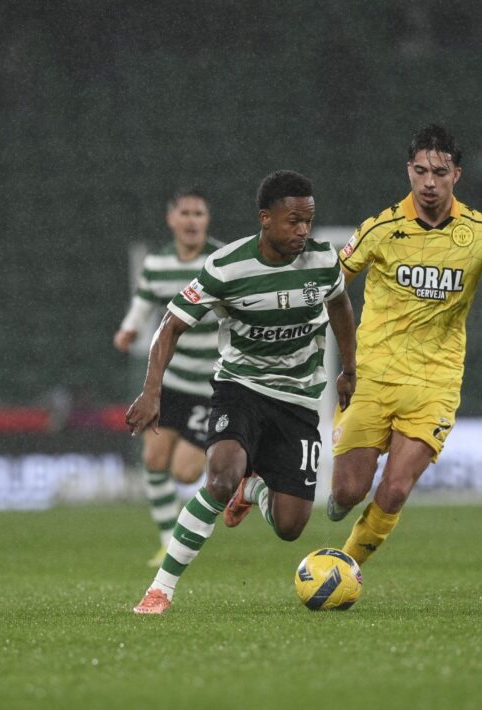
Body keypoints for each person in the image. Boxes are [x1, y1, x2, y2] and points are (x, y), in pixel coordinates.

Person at [128, 170, 357, 615]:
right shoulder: (226, 267)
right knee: (218, 477)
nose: (303, 231)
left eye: (308, 221)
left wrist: (349, 369)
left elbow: (341, 307)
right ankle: (161, 588)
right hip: (241, 387)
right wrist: (151, 391)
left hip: (298, 401)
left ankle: (252, 491)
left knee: (291, 526)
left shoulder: (324, 262)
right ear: (265, 219)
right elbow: (171, 324)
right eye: (293, 221)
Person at [327, 124, 482, 566]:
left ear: (457, 175)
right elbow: (331, 284)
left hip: (434, 383)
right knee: (348, 492)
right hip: (373, 374)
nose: (430, 182)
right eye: (421, 171)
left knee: (394, 488)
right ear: (408, 170)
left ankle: (342, 567)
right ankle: (342, 503)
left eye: (440, 172)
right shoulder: (380, 228)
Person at [113, 187, 220, 567]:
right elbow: (143, 301)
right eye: (186, 213)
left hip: (210, 384)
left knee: (186, 470)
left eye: (199, 213)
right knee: (154, 459)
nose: (192, 220)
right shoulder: (157, 264)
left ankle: (239, 464)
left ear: (207, 220)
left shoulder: (219, 262)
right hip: (172, 381)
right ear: (171, 220)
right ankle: (168, 542)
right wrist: (128, 329)